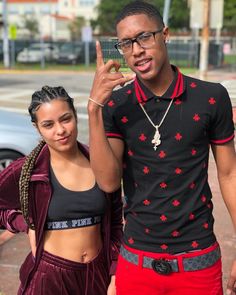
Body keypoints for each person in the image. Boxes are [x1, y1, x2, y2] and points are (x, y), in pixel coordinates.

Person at [87, 1, 236, 295]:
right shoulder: (117, 105)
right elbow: (106, 181)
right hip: (137, 260)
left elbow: (230, 175)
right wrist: (94, 108)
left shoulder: (210, 97)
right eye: (126, 44)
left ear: (165, 34)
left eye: (144, 37)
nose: (137, 50)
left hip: (198, 259)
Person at [0, 86, 123, 295]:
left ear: (75, 116)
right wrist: (25, 223)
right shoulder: (27, 171)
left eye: (65, 119)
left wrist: (114, 274)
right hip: (50, 276)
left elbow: (115, 224)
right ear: (37, 127)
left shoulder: (100, 163)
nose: (60, 130)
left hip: (97, 274)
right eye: (48, 124)